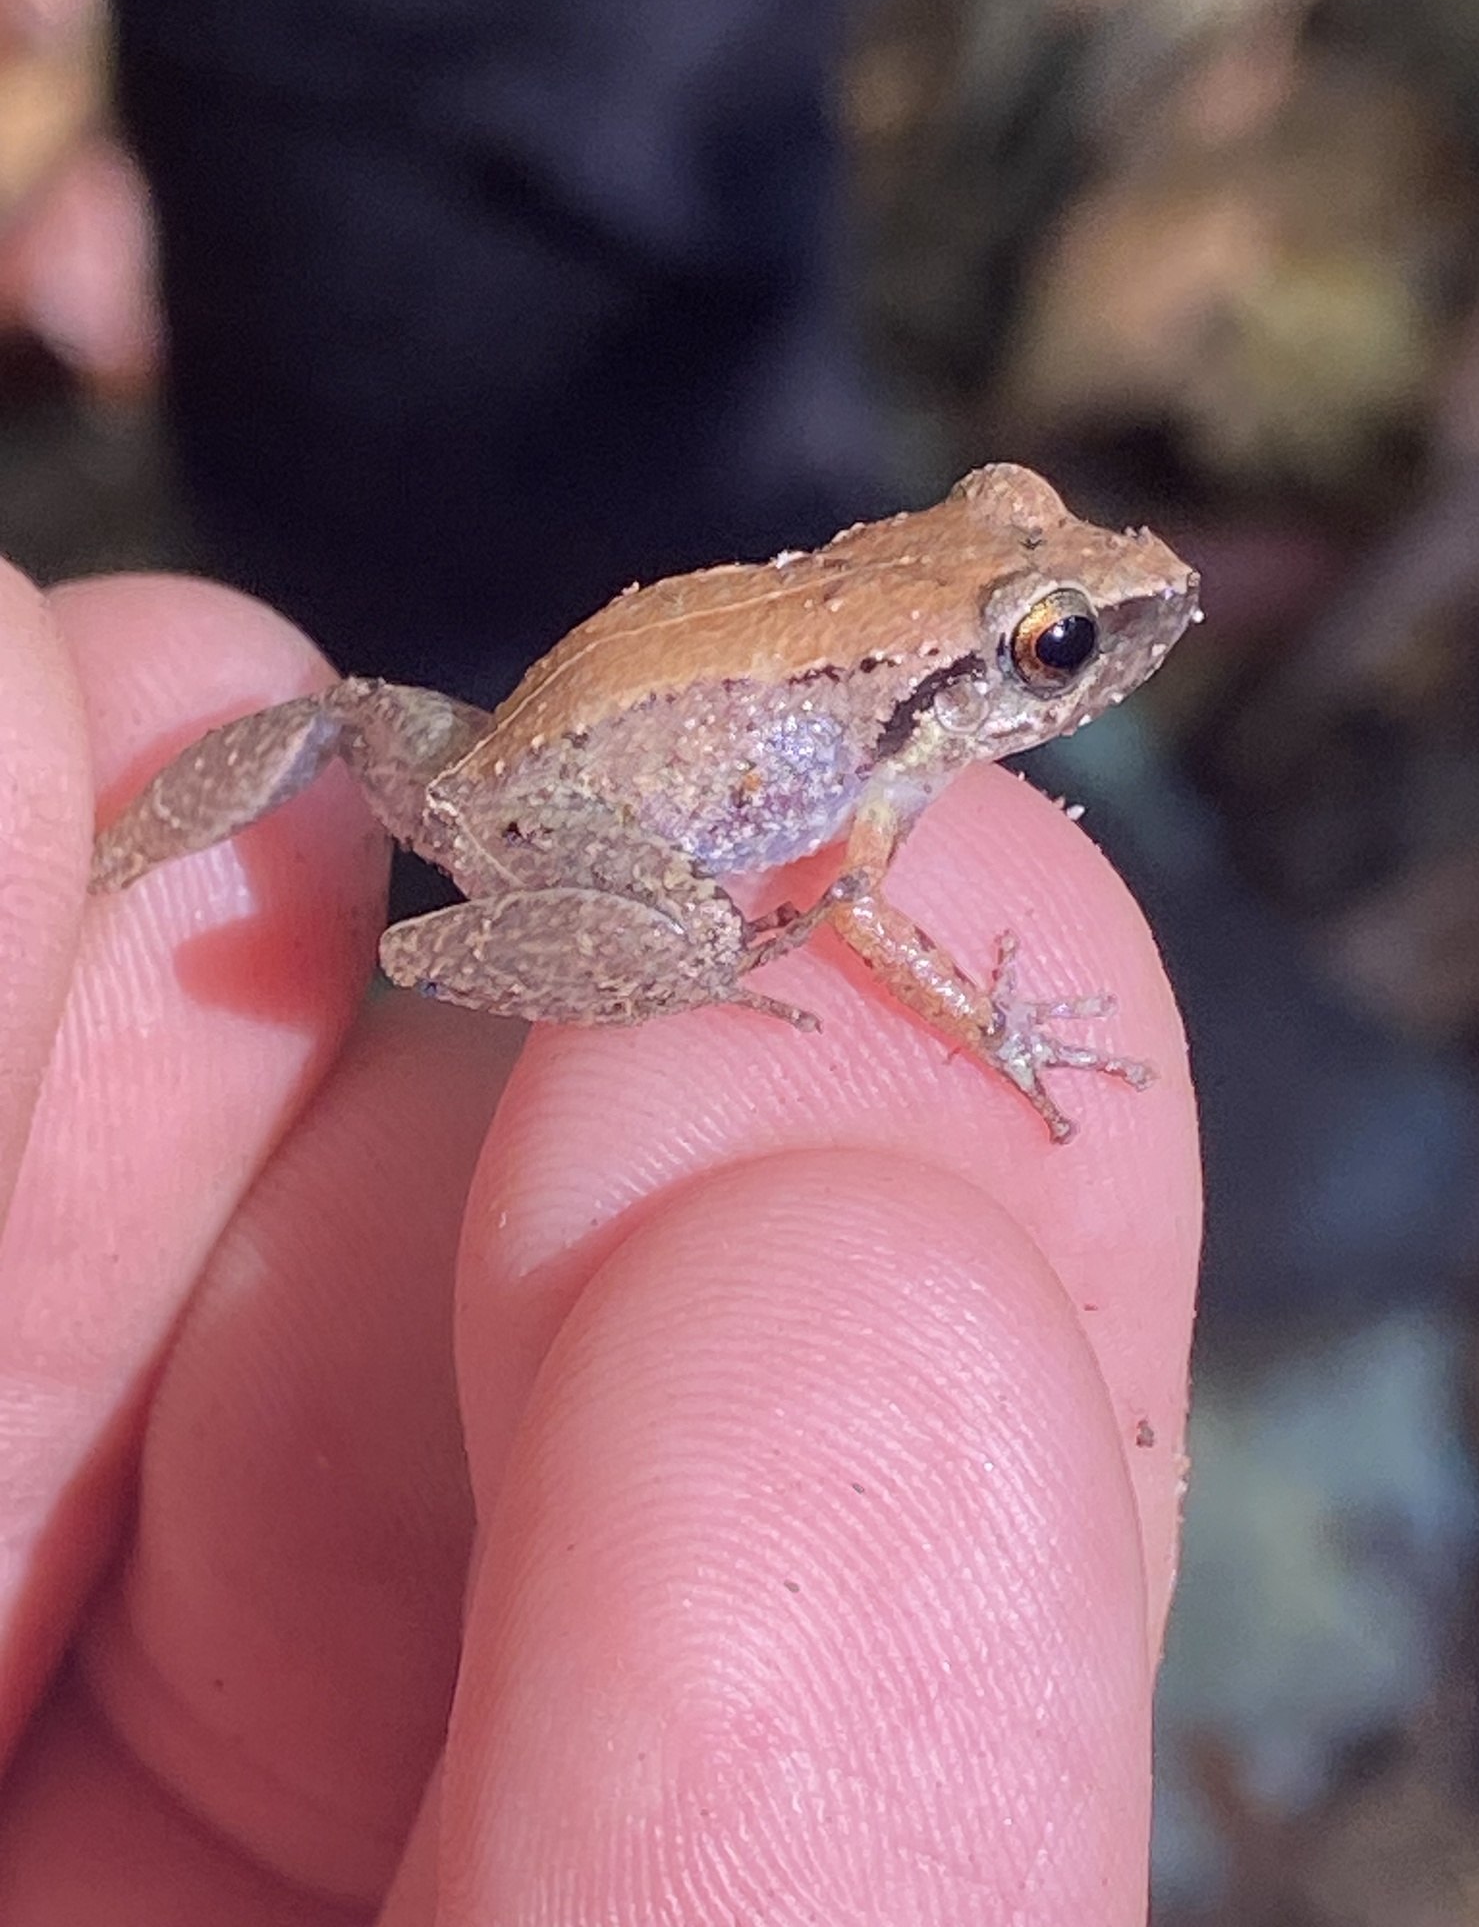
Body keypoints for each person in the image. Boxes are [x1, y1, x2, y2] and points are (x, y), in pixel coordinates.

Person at [0, 563, 1201, 1923]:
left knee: (343, 715)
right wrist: (1004, 1037)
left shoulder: (906, 675)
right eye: (1056, 648)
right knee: (700, 934)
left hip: (525, 748)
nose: (1086, 664)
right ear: (969, 678)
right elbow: (854, 909)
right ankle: (144, 873)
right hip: (569, 815)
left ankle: (117, 855)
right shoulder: (895, 763)